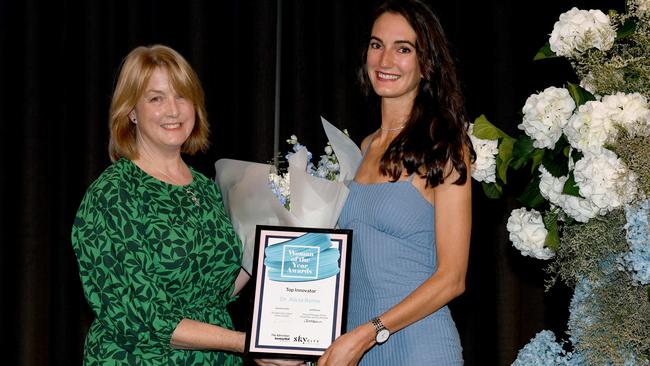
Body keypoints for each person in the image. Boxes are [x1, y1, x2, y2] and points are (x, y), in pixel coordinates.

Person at [71, 44, 304, 366]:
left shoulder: (205, 188)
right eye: (156, 98)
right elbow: (142, 314)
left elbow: (214, 292)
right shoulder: (113, 194)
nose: (173, 110)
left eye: (182, 95)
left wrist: (269, 244)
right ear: (131, 111)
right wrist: (249, 343)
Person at [318, 1, 474, 365]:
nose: (385, 60)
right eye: (377, 45)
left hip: (417, 347)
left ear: (426, 64)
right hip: (354, 348)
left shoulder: (445, 147)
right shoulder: (363, 147)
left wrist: (368, 333)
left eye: (403, 49)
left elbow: (452, 278)